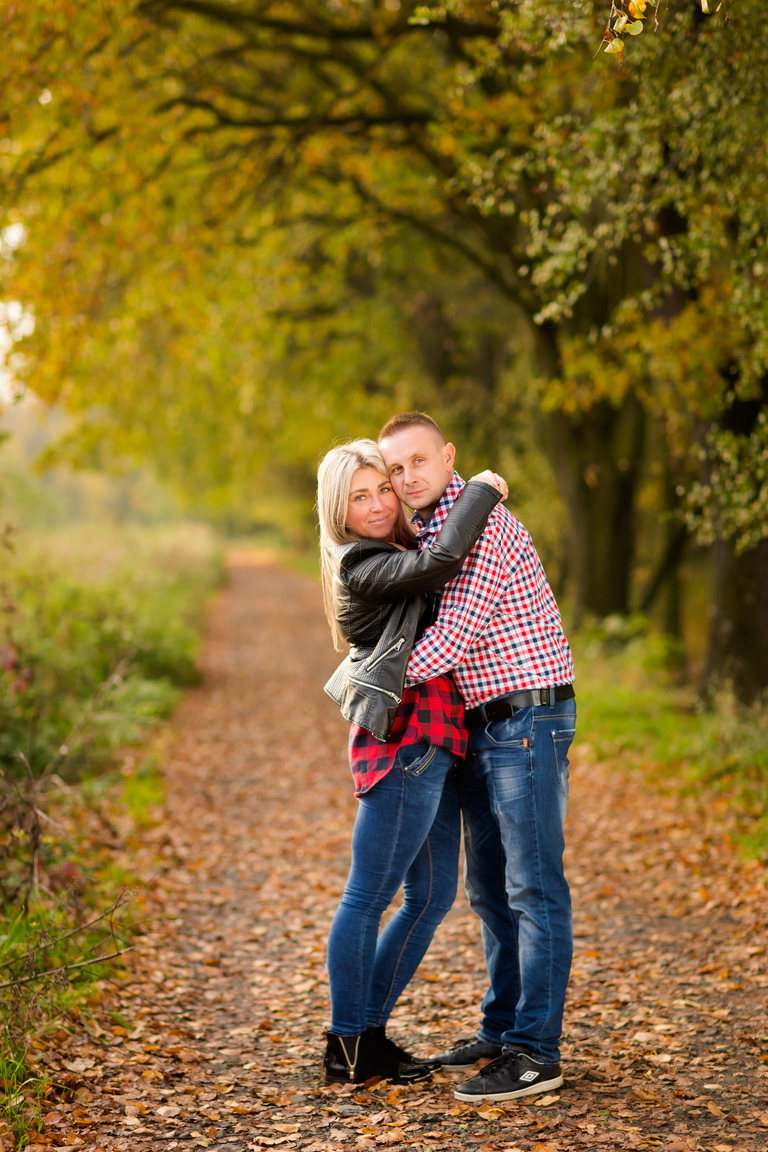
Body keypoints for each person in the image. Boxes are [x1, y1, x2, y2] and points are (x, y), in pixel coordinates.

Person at [378, 412, 576, 1103]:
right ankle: (503, 1028)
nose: (407, 478)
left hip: (527, 717)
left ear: (448, 456)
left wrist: (368, 682)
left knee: (532, 886)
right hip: (478, 726)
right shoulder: (430, 533)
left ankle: (536, 1053)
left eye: (418, 461)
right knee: (489, 890)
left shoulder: (478, 519)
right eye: (395, 469)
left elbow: (450, 641)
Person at [317, 438, 506, 1086]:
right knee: (367, 895)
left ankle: (368, 1032)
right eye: (358, 496)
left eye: (381, 489)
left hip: (433, 739)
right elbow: (444, 558)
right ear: (337, 511)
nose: (374, 505)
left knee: (429, 898)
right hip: (404, 744)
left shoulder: (393, 550)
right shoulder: (361, 563)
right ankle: (347, 1047)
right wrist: (482, 487)